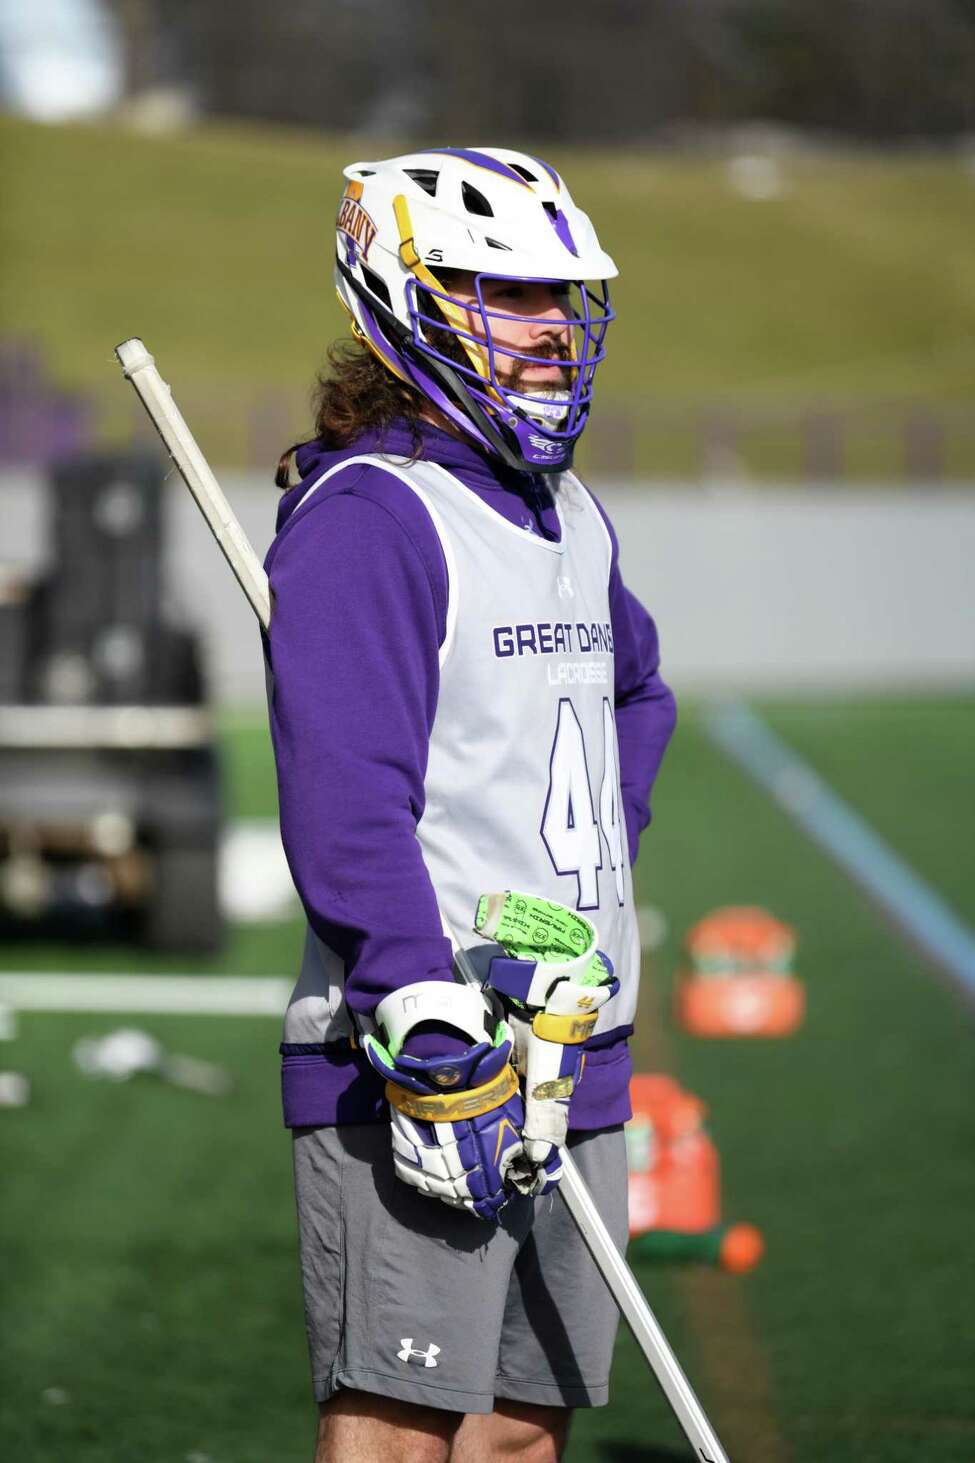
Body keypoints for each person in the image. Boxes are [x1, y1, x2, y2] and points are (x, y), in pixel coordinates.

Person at [262, 146, 677, 1463]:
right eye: (510, 290)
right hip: (424, 1062)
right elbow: (347, 798)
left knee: (517, 1432)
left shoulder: (569, 508)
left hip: (580, 1049)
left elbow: (640, 694)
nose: (553, 322)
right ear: (407, 293)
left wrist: (587, 874)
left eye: (565, 296)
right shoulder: (370, 519)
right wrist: (415, 992)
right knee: (398, 1426)